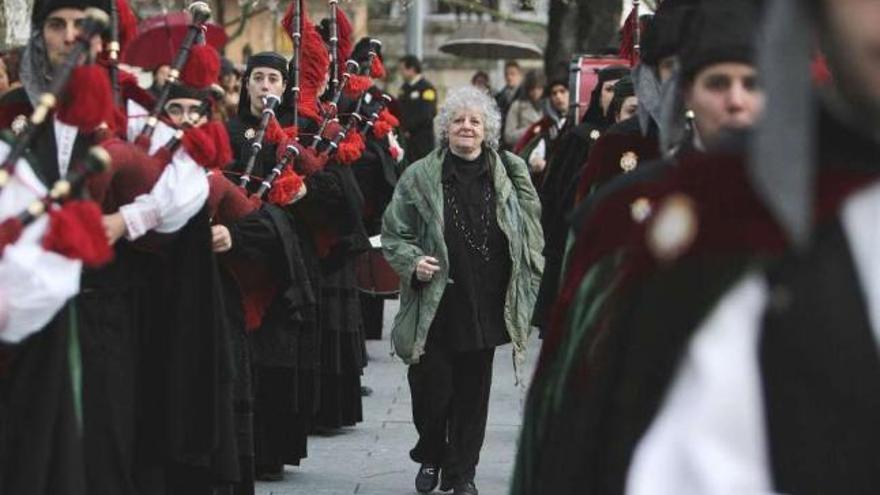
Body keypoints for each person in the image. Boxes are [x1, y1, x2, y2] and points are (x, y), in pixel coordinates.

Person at [382, 86, 544, 495]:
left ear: (487, 129)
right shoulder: (420, 173)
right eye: (458, 120)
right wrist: (413, 262)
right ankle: (433, 452)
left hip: (486, 299)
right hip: (435, 300)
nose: (466, 127)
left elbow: (532, 229)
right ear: (446, 129)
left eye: (475, 121)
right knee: (432, 393)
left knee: (473, 396)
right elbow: (393, 232)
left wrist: (528, 274)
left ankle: (462, 473)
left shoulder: (510, 170)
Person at [512, 78, 569, 185]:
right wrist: (534, 159)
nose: (558, 96)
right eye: (554, 93)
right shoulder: (544, 125)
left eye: (562, 91)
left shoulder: (581, 121)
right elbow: (525, 149)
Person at [398, 55, 437, 163]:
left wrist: (408, 128)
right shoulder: (404, 88)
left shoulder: (427, 88)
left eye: (402, 69)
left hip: (422, 141)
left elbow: (427, 114)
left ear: (412, 69)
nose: (400, 72)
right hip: (406, 141)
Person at [504, 70, 545, 148]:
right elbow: (508, 136)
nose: (536, 92)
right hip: (523, 152)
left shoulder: (548, 106)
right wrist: (530, 130)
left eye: (539, 88)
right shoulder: (517, 106)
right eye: (532, 89)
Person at [495, 60, 522, 132]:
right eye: (506, 74)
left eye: (513, 74)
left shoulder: (525, 96)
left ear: (520, 75)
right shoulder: (499, 97)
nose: (509, 77)